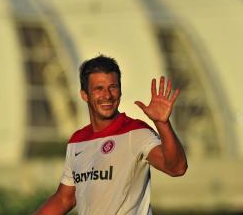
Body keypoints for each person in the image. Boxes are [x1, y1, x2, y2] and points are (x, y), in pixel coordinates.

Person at [34, 55, 187, 215]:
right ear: (84, 95)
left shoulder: (135, 132)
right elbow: (65, 199)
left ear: (120, 91)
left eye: (113, 87)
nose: (107, 95)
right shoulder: (77, 141)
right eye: (99, 88)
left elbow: (177, 168)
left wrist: (162, 124)